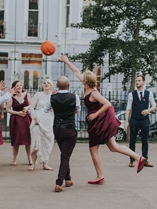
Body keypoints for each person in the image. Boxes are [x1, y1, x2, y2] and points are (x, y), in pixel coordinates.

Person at [61, 54, 145, 182]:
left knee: (93, 149)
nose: (81, 78)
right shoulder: (87, 88)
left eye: (83, 78)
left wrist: (95, 114)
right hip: (99, 122)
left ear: (86, 81)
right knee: (113, 147)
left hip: (98, 123)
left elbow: (107, 104)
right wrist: (67, 61)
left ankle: (100, 176)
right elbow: (76, 71)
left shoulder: (93, 92)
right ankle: (139, 158)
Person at [50, 75, 78, 193]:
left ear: (57, 85)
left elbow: (46, 109)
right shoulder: (74, 97)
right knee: (65, 156)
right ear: (68, 85)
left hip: (57, 128)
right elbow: (77, 110)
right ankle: (59, 182)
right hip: (70, 129)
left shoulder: (52, 97)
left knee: (64, 154)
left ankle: (68, 178)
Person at [125, 73, 156, 166]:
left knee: (145, 140)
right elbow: (128, 108)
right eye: (136, 81)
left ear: (143, 82)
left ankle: (145, 160)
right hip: (134, 119)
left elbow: (154, 106)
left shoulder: (149, 93)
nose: (137, 82)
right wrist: (126, 121)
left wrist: (148, 110)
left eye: (139, 80)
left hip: (145, 120)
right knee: (132, 140)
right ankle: (132, 160)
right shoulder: (132, 94)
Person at [29, 77, 55, 172]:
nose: (46, 84)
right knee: (36, 141)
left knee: (47, 142)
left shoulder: (53, 96)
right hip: (38, 120)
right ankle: (33, 164)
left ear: (51, 85)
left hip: (49, 121)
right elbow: (31, 107)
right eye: (44, 83)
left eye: (48, 83)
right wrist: (34, 117)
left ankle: (45, 164)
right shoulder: (38, 94)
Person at [7, 80, 33, 167]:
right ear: (14, 87)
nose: (19, 87)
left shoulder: (27, 95)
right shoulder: (11, 97)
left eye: (20, 85)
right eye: (17, 86)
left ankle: (29, 158)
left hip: (26, 118)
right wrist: (17, 113)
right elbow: (8, 109)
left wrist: (27, 108)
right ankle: (14, 158)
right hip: (16, 119)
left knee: (28, 139)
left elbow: (31, 105)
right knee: (16, 139)